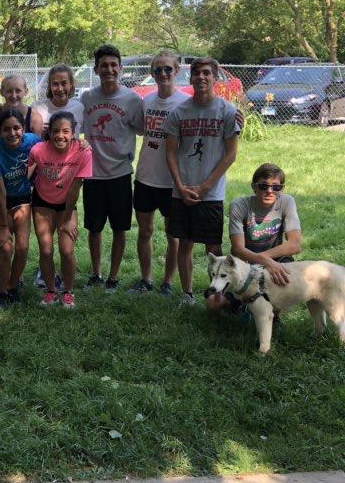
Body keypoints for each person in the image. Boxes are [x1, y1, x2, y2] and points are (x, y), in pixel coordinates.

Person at [164, 57, 241, 306]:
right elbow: (170, 152)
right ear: (191, 77)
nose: (201, 77)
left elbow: (231, 154)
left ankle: (218, 296)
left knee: (214, 248)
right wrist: (180, 186)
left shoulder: (227, 111)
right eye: (196, 73)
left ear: (215, 78)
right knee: (184, 244)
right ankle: (187, 294)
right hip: (183, 191)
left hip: (212, 193)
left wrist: (206, 186)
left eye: (207, 73)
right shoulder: (179, 112)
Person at [80, 44, 144, 293]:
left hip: (120, 174)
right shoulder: (87, 98)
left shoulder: (132, 99)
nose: (109, 69)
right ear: (96, 69)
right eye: (104, 65)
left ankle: (113, 278)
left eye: (113, 65)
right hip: (93, 174)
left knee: (119, 228)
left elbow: (144, 128)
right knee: (94, 228)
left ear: (121, 68)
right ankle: (96, 273)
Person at [128, 52, 189, 296]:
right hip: (145, 176)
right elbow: (138, 129)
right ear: (152, 73)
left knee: (173, 235)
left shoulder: (185, 103)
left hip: (172, 181)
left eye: (168, 69)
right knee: (145, 231)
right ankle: (146, 279)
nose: (163, 74)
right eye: (158, 70)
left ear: (177, 71)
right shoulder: (147, 101)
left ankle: (168, 282)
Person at [206, 163, 302, 314]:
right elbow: (238, 249)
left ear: (282, 189)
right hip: (243, 265)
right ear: (254, 187)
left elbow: (295, 245)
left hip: (275, 261)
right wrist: (263, 261)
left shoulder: (287, 201)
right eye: (264, 186)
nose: (270, 191)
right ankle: (242, 304)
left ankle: (272, 313)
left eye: (276, 187)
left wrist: (265, 259)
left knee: (285, 282)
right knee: (214, 304)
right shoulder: (240, 205)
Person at [27, 112, 93, 308]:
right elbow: (26, 172)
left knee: (66, 249)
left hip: (67, 204)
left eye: (66, 131)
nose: (60, 136)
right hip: (42, 201)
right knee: (46, 249)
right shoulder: (38, 150)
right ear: (49, 133)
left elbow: (75, 188)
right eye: (56, 131)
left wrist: (67, 219)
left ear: (73, 133)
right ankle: (50, 291)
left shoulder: (83, 152)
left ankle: (68, 291)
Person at [0, 108, 40, 307]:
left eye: (16, 128)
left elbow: (50, 149)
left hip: (21, 195)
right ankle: (1, 292)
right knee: (6, 248)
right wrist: (2, 225)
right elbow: (0, 192)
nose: (12, 133)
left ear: (23, 128)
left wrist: (82, 143)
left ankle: (12, 285)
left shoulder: (32, 141)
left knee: (23, 247)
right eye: (6, 129)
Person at [0, 74, 42, 150]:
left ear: (26, 91)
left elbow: (37, 151)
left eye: (18, 91)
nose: (14, 96)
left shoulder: (35, 118)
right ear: (1, 92)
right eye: (9, 91)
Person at [32, 65, 84, 135]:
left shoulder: (79, 108)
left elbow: (87, 132)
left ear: (71, 84)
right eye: (55, 84)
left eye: (64, 83)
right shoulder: (37, 108)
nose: (60, 89)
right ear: (50, 86)